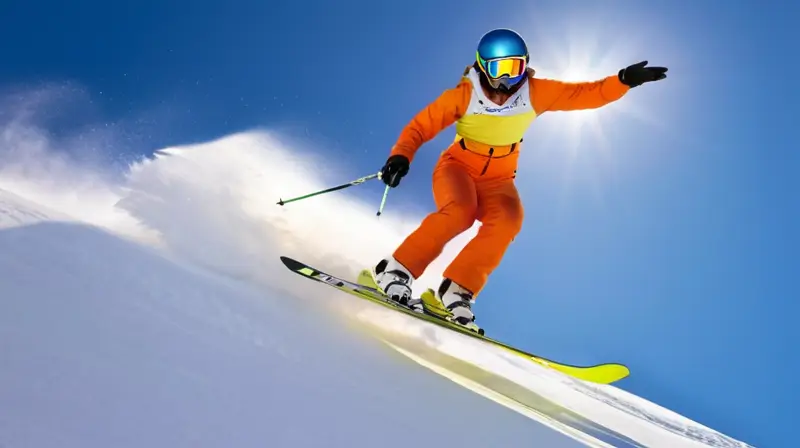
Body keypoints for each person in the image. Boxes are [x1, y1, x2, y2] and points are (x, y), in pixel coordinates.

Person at [371, 28, 667, 332]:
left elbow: (583, 94)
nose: (507, 80)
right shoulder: (464, 95)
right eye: (499, 69)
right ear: (482, 66)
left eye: (516, 68)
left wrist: (622, 81)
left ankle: (456, 289)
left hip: (499, 176)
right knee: (460, 212)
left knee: (509, 219)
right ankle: (395, 270)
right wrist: (401, 156)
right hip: (457, 166)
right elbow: (421, 127)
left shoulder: (535, 93)